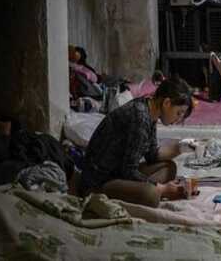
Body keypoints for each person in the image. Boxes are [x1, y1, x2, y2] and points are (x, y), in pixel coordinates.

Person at [78, 77, 198, 207]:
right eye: (178, 113)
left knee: (169, 167)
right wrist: (162, 188)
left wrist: (181, 147)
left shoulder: (150, 109)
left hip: (119, 171)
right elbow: (128, 171)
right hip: (100, 182)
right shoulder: (139, 117)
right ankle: (151, 191)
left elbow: (152, 156)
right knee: (152, 195)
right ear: (167, 103)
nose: (178, 119)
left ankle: (148, 190)